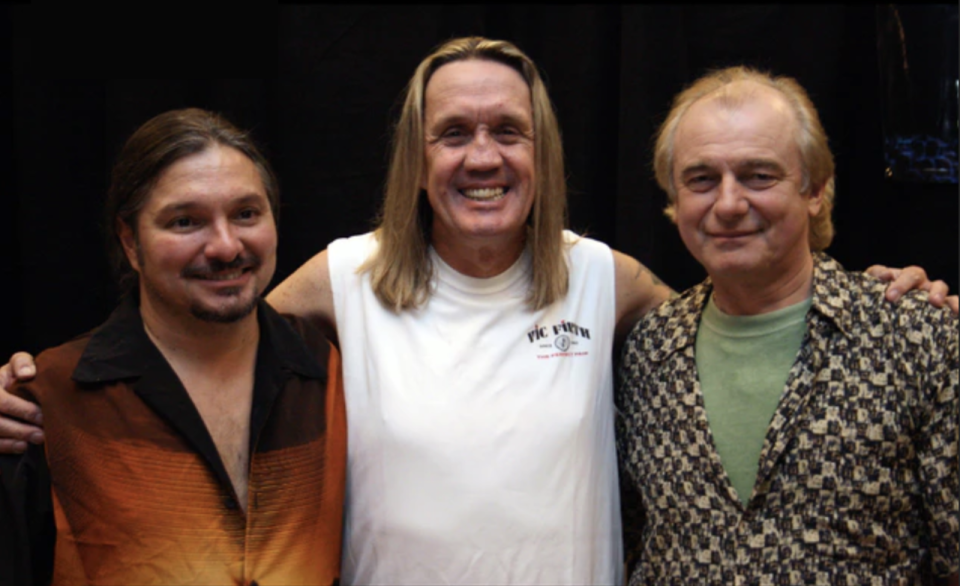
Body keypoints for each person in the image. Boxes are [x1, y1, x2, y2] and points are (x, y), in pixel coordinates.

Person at [0, 38, 953, 585]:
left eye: (508, 131)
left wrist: (888, 291)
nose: (482, 156)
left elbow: (742, 311)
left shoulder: (605, 281)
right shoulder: (343, 277)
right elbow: (201, 326)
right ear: (416, 157)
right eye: (452, 133)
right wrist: (44, 383)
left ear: (542, 152)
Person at [615, 66, 958, 585]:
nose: (728, 204)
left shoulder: (918, 337)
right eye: (701, 179)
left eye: (759, 175)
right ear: (674, 200)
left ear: (815, 190)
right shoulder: (646, 352)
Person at [0, 108, 347, 586]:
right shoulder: (47, 400)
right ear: (130, 242)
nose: (226, 246)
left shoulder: (332, 372)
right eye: (186, 221)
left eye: (246, 213)